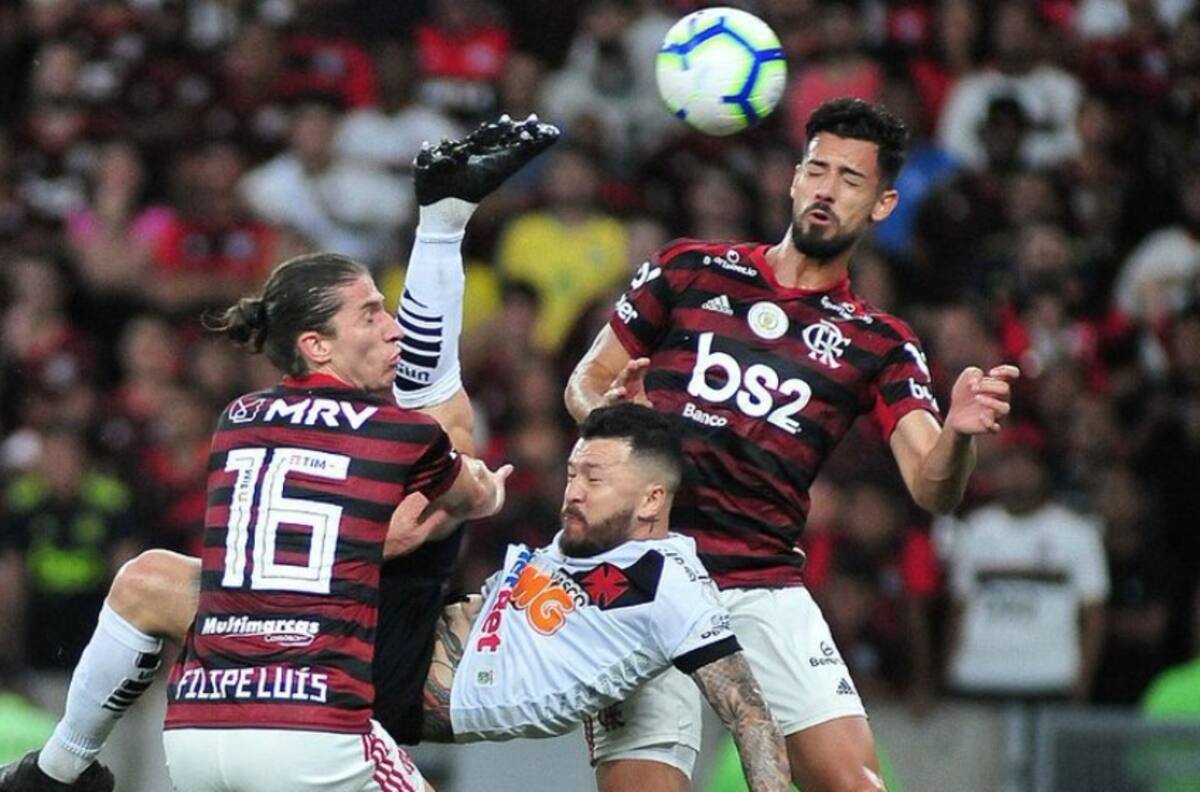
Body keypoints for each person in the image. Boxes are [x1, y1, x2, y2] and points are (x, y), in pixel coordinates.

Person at [0, 115, 558, 792]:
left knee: (147, 578)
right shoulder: (398, 434)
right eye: (373, 315)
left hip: (202, 716)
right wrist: (485, 487)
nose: (395, 329)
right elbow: (445, 460)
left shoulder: (238, 417)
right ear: (315, 345)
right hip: (331, 695)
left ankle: (59, 766)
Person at [564, 97, 1020, 792]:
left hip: (760, 582)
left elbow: (934, 487)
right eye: (817, 170)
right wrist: (614, 420)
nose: (826, 190)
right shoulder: (689, 269)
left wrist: (957, 435)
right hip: (641, 571)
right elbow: (584, 383)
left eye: (850, 179)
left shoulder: (880, 342)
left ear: (883, 204)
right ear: (794, 179)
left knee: (855, 785)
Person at [422, 402, 789, 792]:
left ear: (651, 500)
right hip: (408, 630)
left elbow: (749, 712)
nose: (573, 492)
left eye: (593, 480)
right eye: (571, 475)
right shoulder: (590, 536)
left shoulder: (671, 587)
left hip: (414, 686)